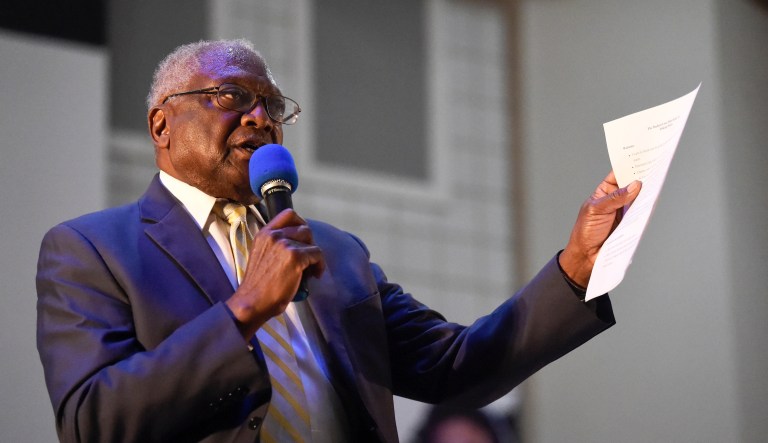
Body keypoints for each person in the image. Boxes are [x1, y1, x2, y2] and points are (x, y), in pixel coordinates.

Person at [36, 39, 641, 443]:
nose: (259, 118)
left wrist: (576, 266)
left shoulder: (335, 251)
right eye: (231, 98)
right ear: (160, 124)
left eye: (272, 107)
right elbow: (94, 422)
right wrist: (245, 311)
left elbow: (456, 369)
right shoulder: (92, 251)